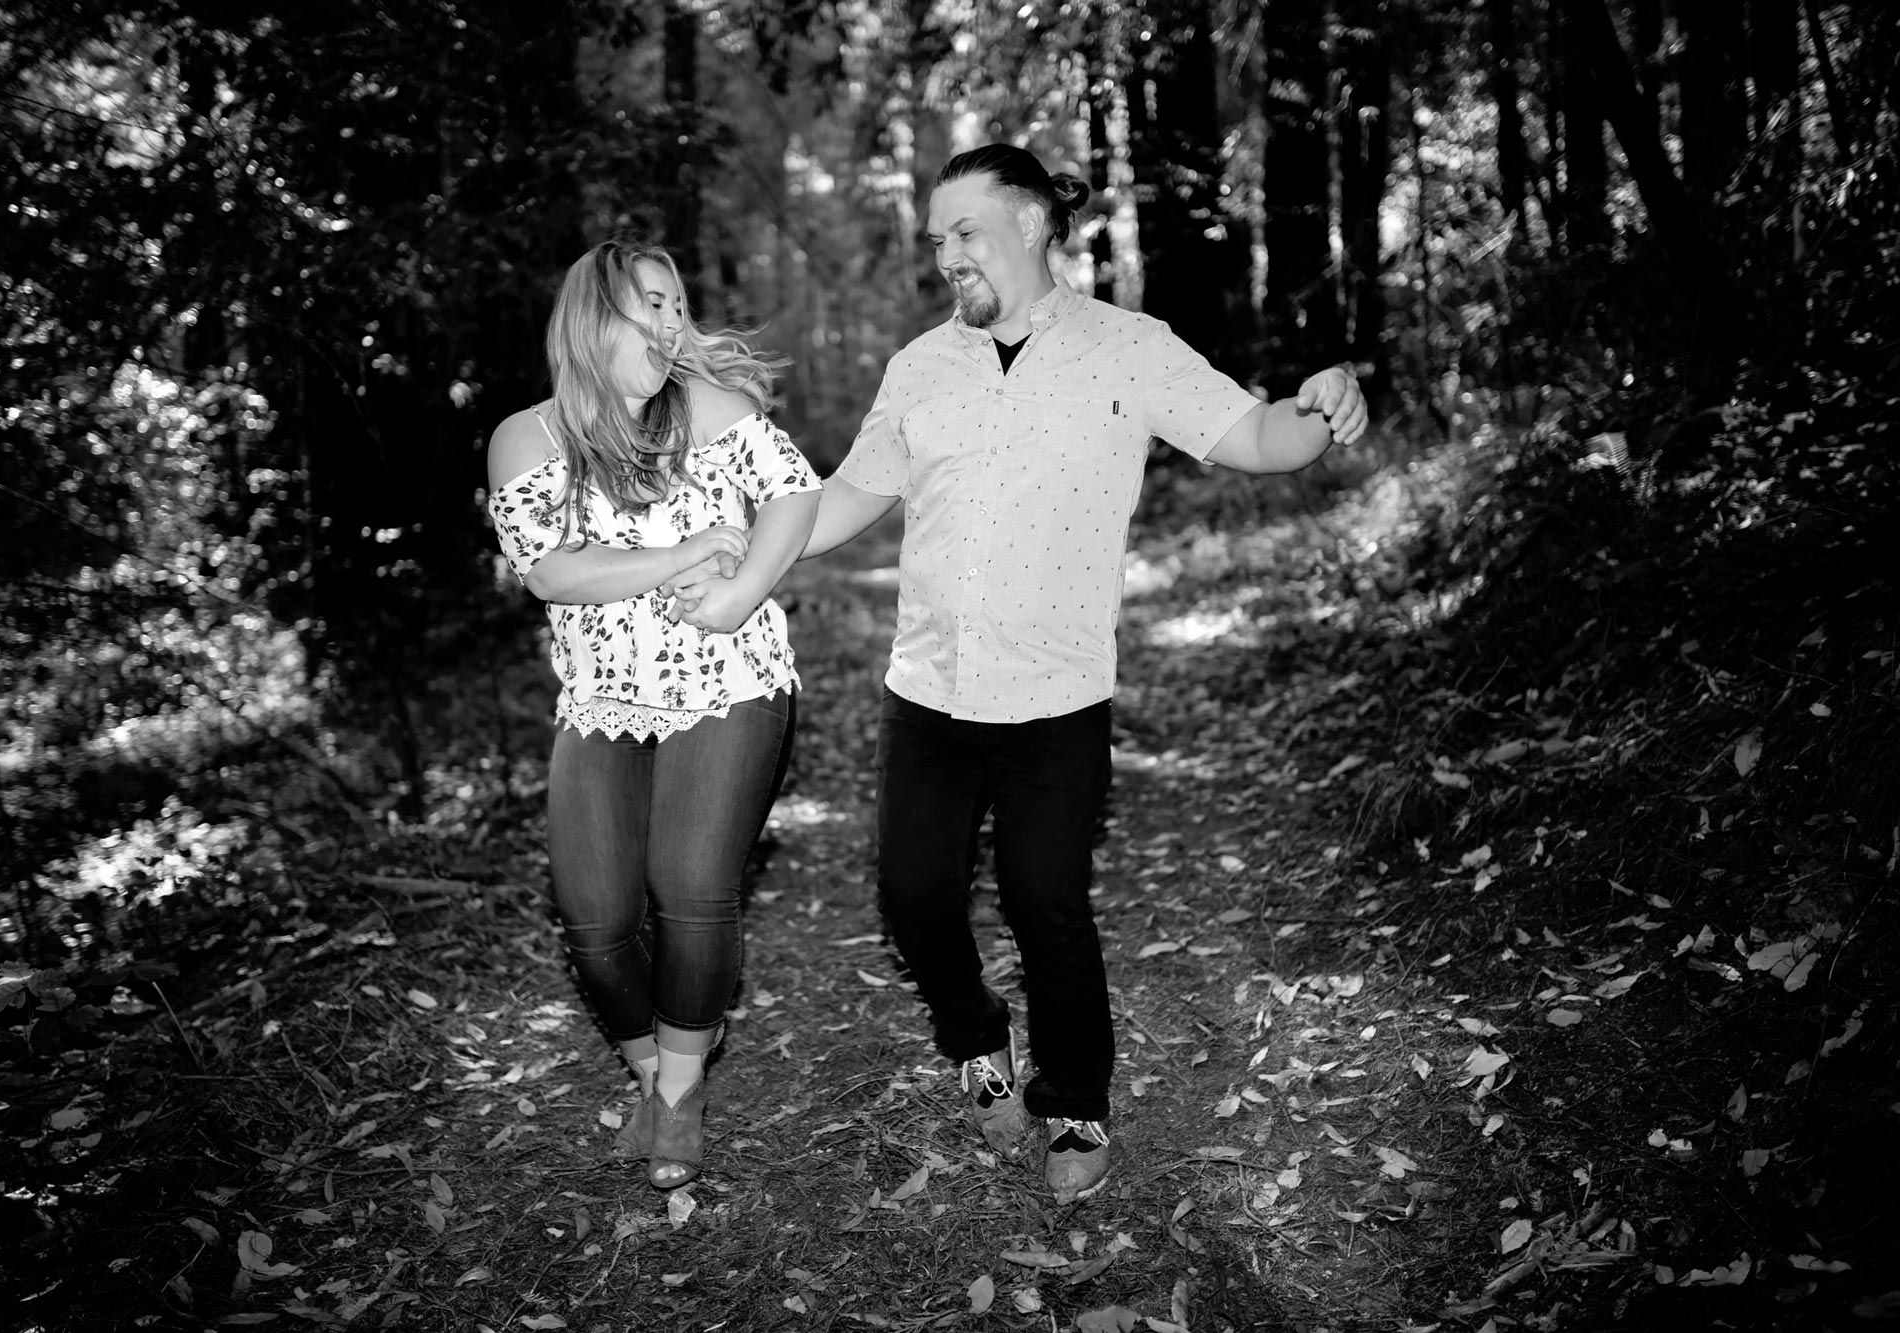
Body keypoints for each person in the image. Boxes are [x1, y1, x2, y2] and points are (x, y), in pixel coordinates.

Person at [773, 144, 1366, 1200]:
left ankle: (1076, 1097)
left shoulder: (1129, 349)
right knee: (912, 895)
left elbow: (1258, 437)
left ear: (1034, 220)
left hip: (1055, 696)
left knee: (1045, 900)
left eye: (963, 231)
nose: (945, 255)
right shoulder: (919, 367)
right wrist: (736, 545)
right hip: (929, 690)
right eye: (936, 240)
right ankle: (975, 1040)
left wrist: (1324, 402)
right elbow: (836, 504)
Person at [485, 236, 821, 1190]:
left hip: (730, 682)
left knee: (690, 884)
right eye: (653, 304)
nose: (674, 322)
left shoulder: (709, 410)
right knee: (595, 924)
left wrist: (742, 588)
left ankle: (678, 1093)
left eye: (679, 305)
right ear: (595, 318)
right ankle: (654, 1073)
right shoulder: (527, 440)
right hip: (600, 700)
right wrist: (683, 554)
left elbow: (794, 495)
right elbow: (551, 571)